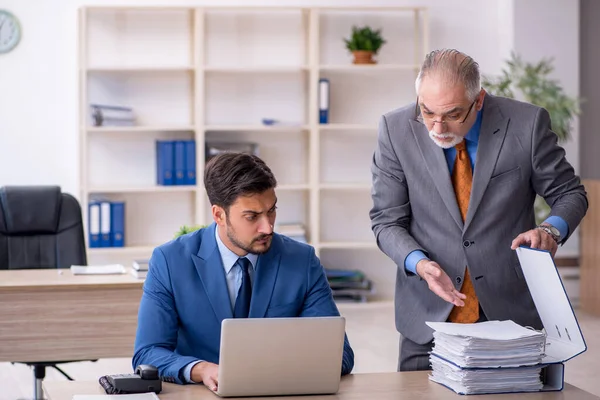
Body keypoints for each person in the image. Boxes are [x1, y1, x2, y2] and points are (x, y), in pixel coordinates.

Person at [369, 48, 588, 372]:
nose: (437, 126)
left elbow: (570, 193)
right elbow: (386, 221)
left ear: (479, 100)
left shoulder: (526, 124)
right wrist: (420, 263)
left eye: (453, 114)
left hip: (510, 310)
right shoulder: (395, 128)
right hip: (426, 314)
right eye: (427, 111)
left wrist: (550, 230)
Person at [133, 152, 354, 387]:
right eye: (252, 216)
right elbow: (148, 353)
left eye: (271, 211)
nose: (267, 227)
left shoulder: (302, 261)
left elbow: (340, 355)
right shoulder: (170, 261)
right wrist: (201, 369)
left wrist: (274, 369)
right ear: (219, 214)